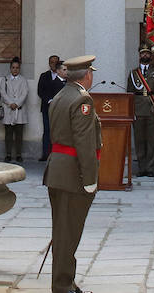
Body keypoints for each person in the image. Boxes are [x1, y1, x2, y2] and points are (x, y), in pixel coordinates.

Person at [44, 54, 101, 293]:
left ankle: (66, 281)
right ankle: (63, 285)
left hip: (57, 169)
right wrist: (90, 180)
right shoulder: (82, 100)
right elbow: (84, 143)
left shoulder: (60, 95)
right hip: (71, 174)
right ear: (87, 75)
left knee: (62, 231)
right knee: (68, 234)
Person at [128, 43, 154, 177]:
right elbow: (130, 93)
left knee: (151, 139)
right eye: (143, 53)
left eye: (147, 53)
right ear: (139, 55)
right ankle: (142, 168)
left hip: (151, 108)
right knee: (139, 139)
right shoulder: (133, 73)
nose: (145, 55)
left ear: (150, 55)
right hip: (138, 109)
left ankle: (150, 168)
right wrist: (131, 111)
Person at [0, 56, 28, 162]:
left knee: (19, 134)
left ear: (19, 69)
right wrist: (10, 103)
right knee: (8, 134)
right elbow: (3, 92)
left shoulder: (23, 80)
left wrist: (17, 103)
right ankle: (8, 154)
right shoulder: (5, 79)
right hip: (8, 110)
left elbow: (25, 93)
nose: (15, 70)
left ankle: (19, 154)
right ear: (10, 68)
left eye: (17, 68)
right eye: (13, 68)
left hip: (19, 110)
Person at [37, 54, 64, 160]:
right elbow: (40, 91)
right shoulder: (44, 76)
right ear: (49, 64)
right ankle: (46, 154)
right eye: (51, 62)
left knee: (58, 131)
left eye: (56, 62)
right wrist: (49, 100)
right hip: (47, 108)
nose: (53, 64)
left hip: (59, 109)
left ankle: (57, 154)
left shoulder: (63, 76)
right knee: (47, 131)